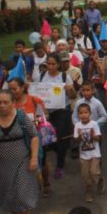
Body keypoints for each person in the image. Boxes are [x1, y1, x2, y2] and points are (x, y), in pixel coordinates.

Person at [35, 53, 76, 194]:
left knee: (60, 139)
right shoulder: (41, 76)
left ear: (58, 64)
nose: (50, 66)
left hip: (61, 112)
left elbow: (73, 96)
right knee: (44, 138)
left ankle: (60, 164)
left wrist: (69, 90)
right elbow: (37, 93)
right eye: (48, 64)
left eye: (53, 64)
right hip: (46, 112)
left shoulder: (64, 77)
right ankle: (43, 166)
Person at [73, 103, 103, 203]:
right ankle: (88, 191)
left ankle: (99, 180)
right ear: (78, 115)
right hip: (83, 155)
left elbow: (98, 138)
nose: (83, 115)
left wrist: (93, 135)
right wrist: (79, 137)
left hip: (95, 153)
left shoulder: (94, 124)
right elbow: (76, 141)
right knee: (85, 175)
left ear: (90, 113)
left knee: (94, 172)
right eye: (81, 113)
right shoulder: (77, 125)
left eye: (85, 112)